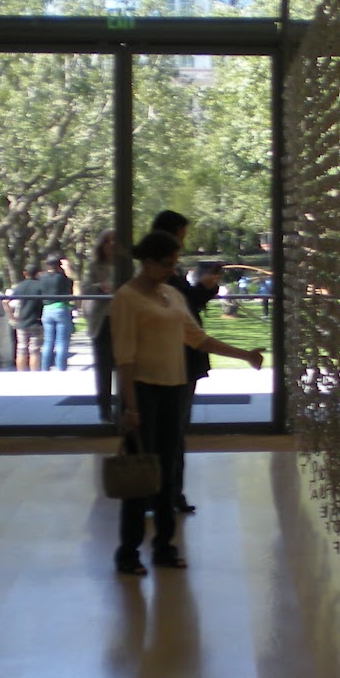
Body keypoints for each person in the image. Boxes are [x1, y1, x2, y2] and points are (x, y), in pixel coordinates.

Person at [110, 229, 263, 576]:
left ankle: (165, 546)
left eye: (174, 263)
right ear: (147, 262)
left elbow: (197, 338)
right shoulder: (127, 298)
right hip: (143, 392)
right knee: (141, 475)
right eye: (166, 263)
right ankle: (128, 552)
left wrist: (245, 355)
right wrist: (131, 407)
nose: (172, 269)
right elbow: (125, 357)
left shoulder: (171, 295)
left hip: (174, 388)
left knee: (168, 471)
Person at [151, 209, 221, 515]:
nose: (182, 243)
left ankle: (168, 491)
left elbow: (186, 309)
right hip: (176, 359)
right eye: (181, 236)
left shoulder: (167, 275)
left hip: (180, 359)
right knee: (172, 432)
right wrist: (202, 290)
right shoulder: (161, 278)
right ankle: (166, 492)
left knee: (173, 431)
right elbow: (184, 314)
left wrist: (204, 289)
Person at [84, 230, 118, 422]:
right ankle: (105, 410)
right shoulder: (95, 266)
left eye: (115, 242)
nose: (111, 246)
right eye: (108, 242)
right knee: (103, 367)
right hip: (102, 321)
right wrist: (100, 286)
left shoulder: (129, 266)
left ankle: (127, 408)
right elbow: (86, 288)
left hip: (124, 319)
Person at [38, 254, 76, 371]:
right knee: (61, 341)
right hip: (61, 307)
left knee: (48, 341)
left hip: (47, 309)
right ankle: (60, 368)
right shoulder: (61, 277)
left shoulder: (42, 278)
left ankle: (45, 368)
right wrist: (68, 268)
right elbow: (73, 281)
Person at [7, 265, 44, 372]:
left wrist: (12, 316)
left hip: (22, 321)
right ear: (38, 273)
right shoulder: (40, 286)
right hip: (36, 321)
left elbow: (5, 301)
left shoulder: (20, 286)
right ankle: (34, 373)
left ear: (25, 273)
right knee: (35, 350)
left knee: (21, 349)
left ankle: (21, 373)